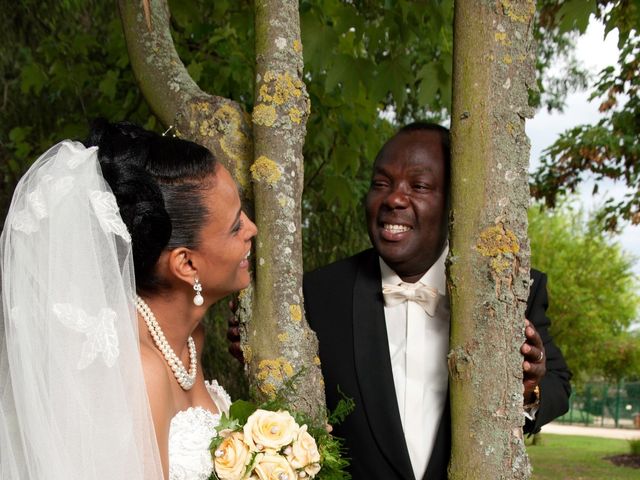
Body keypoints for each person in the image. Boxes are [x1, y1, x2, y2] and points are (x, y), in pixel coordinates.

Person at [228, 122, 571, 479]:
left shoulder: (508, 288)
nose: (394, 198)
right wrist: (256, 342)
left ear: (456, 202)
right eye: (381, 184)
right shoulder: (315, 294)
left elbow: (558, 384)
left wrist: (528, 389)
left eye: (419, 186)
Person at [0, 120, 257, 479]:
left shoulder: (189, 340)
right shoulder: (139, 371)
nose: (252, 229)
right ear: (186, 263)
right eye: (235, 226)